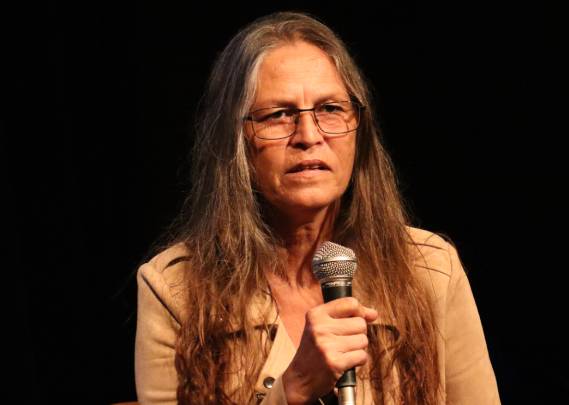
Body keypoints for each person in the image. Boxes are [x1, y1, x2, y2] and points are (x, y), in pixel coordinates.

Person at [134, 11, 500, 405]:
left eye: (330, 109)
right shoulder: (176, 291)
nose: (308, 136)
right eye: (279, 115)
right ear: (235, 140)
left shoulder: (430, 272)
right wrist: (292, 389)